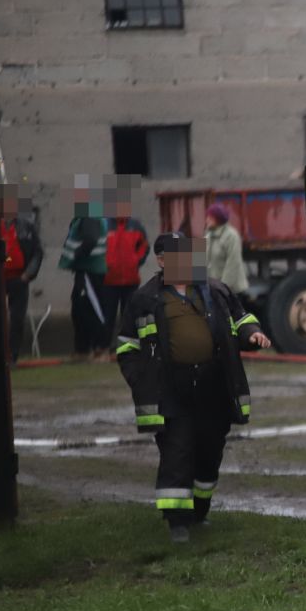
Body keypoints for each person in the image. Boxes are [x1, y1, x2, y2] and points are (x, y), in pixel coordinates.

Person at [116, 232, 271, 543]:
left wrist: (253, 334)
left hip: (213, 386)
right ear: (161, 261)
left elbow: (241, 319)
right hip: (172, 389)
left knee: (209, 451)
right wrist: (141, 380)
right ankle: (177, 522)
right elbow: (126, 347)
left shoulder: (214, 290)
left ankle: (200, 512)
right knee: (177, 451)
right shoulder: (144, 299)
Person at [101, 177, 150, 363]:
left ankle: (129, 349)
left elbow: (144, 246)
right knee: (108, 318)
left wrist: (136, 261)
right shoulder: (104, 225)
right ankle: (106, 349)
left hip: (130, 280)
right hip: (108, 281)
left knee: (130, 317)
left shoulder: (135, 225)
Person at [59, 174, 108, 361]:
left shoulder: (90, 215)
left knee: (92, 310)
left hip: (90, 271)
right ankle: (83, 349)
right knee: (80, 309)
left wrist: (76, 257)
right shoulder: (86, 215)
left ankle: (99, 349)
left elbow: (90, 240)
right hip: (86, 271)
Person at [0, 182, 43, 365]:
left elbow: (38, 251)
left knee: (17, 319)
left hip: (19, 279)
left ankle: (13, 355)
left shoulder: (26, 227)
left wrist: (28, 274)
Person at [204, 203, 251, 309]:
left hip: (231, 291)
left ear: (217, 219)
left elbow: (233, 265)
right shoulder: (209, 235)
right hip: (215, 290)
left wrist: (222, 290)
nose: (206, 220)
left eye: (210, 217)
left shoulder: (231, 236)